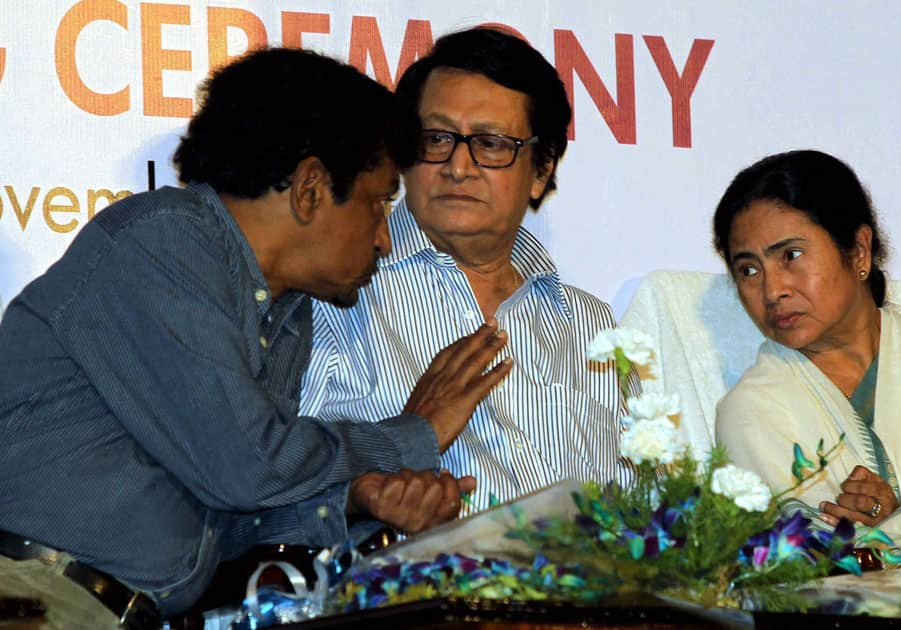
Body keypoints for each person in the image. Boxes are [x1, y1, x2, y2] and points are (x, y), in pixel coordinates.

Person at [0, 47, 513, 626]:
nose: (383, 239)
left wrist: (358, 497)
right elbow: (247, 465)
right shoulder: (164, 242)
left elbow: (231, 515)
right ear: (311, 188)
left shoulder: (286, 314)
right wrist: (411, 435)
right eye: (378, 203)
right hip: (30, 596)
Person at [301, 27, 628, 514]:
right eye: (437, 138)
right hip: (414, 583)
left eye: (491, 144)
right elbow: (276, 490)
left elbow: (653, 507)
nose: (458, 166)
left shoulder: (592, 326)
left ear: (541, 171)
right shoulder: (333, 292)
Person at [713, 149, 901, 577]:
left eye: (790, 255)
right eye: (749, 270)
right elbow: (809, 570)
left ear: (859, 251)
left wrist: (896, 528)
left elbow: (869, 551)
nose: (772, 290)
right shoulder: (752, 413)